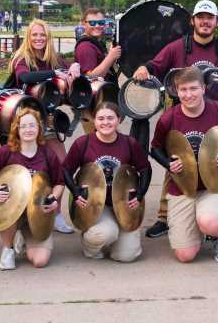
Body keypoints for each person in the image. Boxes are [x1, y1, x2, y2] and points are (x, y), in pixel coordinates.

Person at [134, 0, 218, 239]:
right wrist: (144, 69)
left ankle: (213, 216)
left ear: (216, 22)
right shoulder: (177, 47)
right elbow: (156, 65)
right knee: (175, 165)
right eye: (201, 17)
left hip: (215, 119)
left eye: (210, 18)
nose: (205, 22)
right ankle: (165, 217)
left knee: (215, 163)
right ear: (193, 20)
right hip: (181, 116)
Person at [150, 67, 218, 263]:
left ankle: (216, 233)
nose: (188, 95)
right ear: (176, 90)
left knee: (210, 223)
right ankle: (194, 226)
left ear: (204, 88)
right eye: (183, 90)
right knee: (185, 255)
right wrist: (167, 163)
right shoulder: (168, 118)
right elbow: (155, 148)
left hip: (214, 186)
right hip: (182, 187)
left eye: (193, 89)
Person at [8, 18, 81, 234]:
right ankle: (22, 216)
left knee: (61, 164)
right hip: (25, 122)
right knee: (28, 169)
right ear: (28, 37)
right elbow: (24, 76)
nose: (39, 39)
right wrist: (53, 73)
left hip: (47, 120)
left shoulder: (53, 58)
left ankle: (55, 212)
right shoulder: (22, 58)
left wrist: (75, 66)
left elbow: (71, 68)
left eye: (43, 35)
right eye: (34, 35)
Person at [62, 103, 152, 261]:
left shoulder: (129, 143)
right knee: (106, 233)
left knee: (126, 256)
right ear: (94, 121)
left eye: (110, 118)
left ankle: (115, 234)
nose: (105, 122)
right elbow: (66, 170)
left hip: (123, 203)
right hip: (96, 205)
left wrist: (140, 194)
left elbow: (145, 168)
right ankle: (89, 243)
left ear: (119, 120)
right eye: (101, 118)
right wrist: (75, 192)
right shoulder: (83, 143)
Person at [0, 108, 63, 270]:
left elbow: (59, 182)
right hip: (12, 210)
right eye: (23, 126)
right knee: (9, 204)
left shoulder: (47, 153)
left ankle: (23, 238)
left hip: (38, 213)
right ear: (17, 129)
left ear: (39, 128)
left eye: (32, 125)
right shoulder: (6, 152)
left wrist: (54, 199)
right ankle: (7, 248)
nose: (28, 130)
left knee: (40, 261)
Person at [75, 7, 122, 134]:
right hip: (95, 106)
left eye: (101, 23)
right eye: (92, 23)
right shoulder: (85, 46)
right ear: (84, 23)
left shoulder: (95, 43)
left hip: (100, 104)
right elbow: (91, 76)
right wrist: (111, 56)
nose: (97, 26)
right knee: (99, 145)